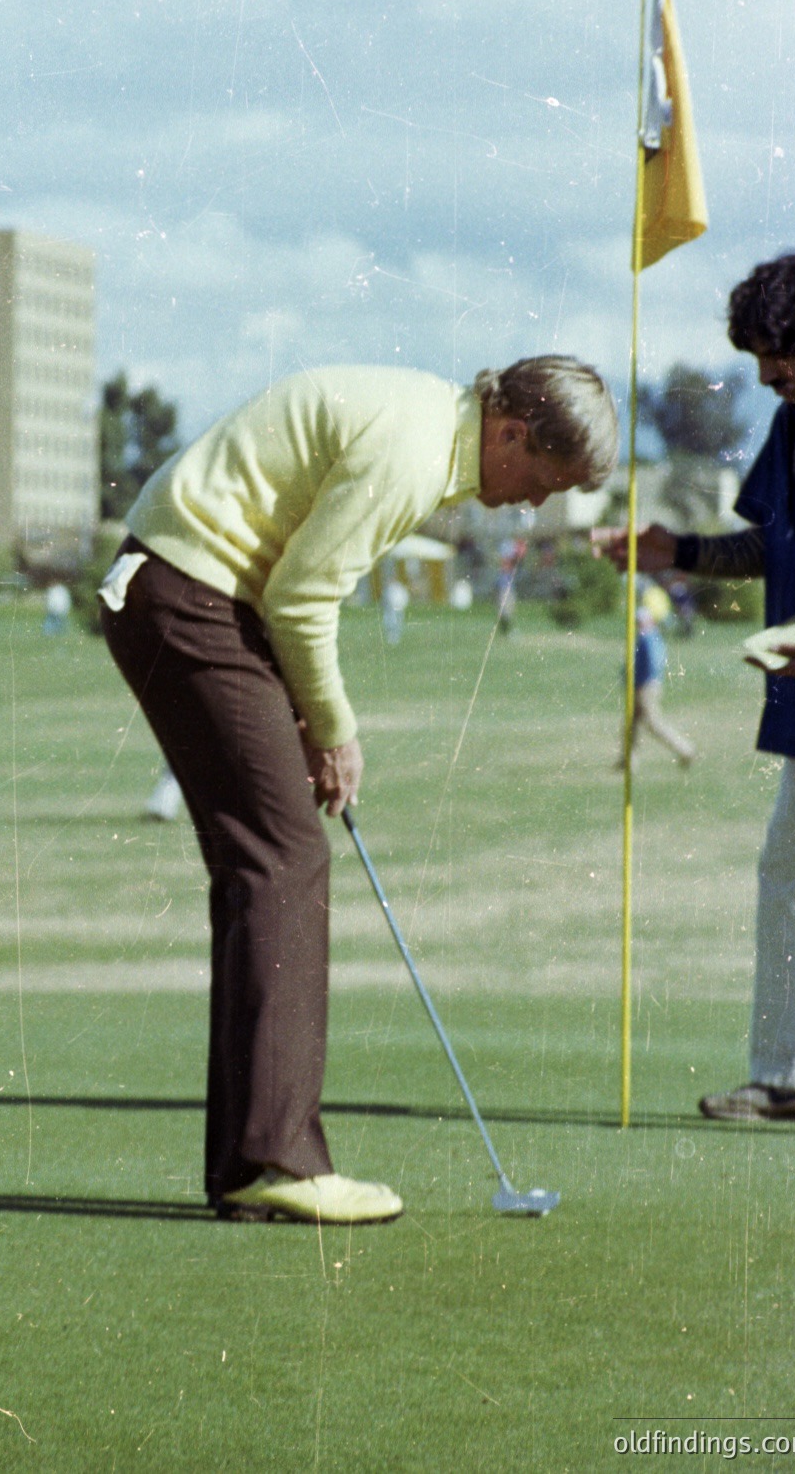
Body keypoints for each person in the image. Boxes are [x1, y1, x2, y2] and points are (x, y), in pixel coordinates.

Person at [99, 357, 619, 1221]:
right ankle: (277, 1160)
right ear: (512, 432)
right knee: (286, 857)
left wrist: (309, 712)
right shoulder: (414, 454)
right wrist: (334, 730)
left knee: (262, 862)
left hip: (190, 589)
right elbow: (303, 597)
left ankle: (249, 1163)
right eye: (540, 480)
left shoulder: (432, 429)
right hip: (191, 592)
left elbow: (288, 590)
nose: (532, 504)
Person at [597, 252, 795, 1122]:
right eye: (758, 359)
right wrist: (677, 552)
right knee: (791, 880)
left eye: (780, 355)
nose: (767, 375)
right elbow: (764, 547)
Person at [621, 603, 696, 768]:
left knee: (652, 723)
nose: (638, 624)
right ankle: (628, 760)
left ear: (649, 621)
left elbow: (653, 664)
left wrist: (641, 682)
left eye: (641, 621)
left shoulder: (649, 637)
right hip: (642, 685)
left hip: (646, 687)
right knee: (631, 723)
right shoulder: (646, 637)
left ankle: (685, 750)